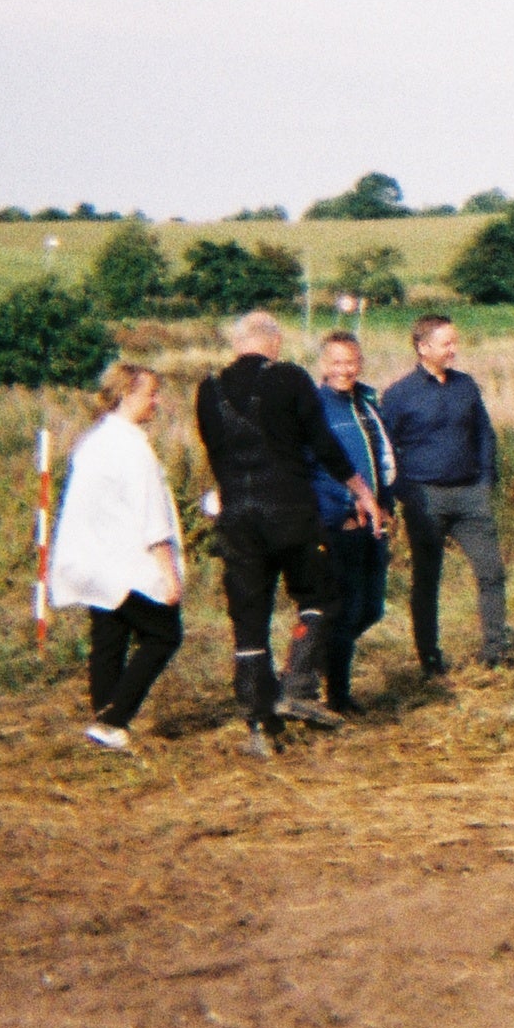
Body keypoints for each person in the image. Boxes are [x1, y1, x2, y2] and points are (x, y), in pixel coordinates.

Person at [194, 309, 379, 755]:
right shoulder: (291, 379)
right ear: (273, 344)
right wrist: (361, 491)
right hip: (291, 513)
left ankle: (259, 725)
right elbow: (322, 443)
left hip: (237, 517)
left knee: (249, 620)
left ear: (239, 344)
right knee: (320, 597)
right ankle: (296, 684)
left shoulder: (208, 390)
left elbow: (216, 452)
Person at [51, 362, 185, 753]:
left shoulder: (92, 442)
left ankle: (104, 719)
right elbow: (152, 515)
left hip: (93, 562)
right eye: (151, 394)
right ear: (127, 394)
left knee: (110, 638)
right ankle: (113, 719)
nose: (157, 402)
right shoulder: (132, 447)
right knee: (164, 634)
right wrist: (169, 572)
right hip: (127, 563)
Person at [381, 313, 514, 676]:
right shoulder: (398, 395)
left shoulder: (466, 386)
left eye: (456, 342)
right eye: (447, 343)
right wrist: (403, 493)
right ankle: (429, 658)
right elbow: (386, 449)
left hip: (471, 495)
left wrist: (486, 480)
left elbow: (484, 434)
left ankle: (495, 653)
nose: (454, 349)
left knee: (492, 573)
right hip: (426, 499)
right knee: (427, 579)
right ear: (423, 347)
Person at [310, 332, 397, 716]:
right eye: (337, 362)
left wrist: (385, 502)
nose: (344, 370)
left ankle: (312, 667)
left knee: (371, 609)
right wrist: (348, 505)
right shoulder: (315, 408)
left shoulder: (367, 402)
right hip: (339, 523)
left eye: (351, 362)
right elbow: (318, 468)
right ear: (324, 366)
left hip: (373, 519)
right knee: (346, 609)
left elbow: (381, 456)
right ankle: (337, 695)